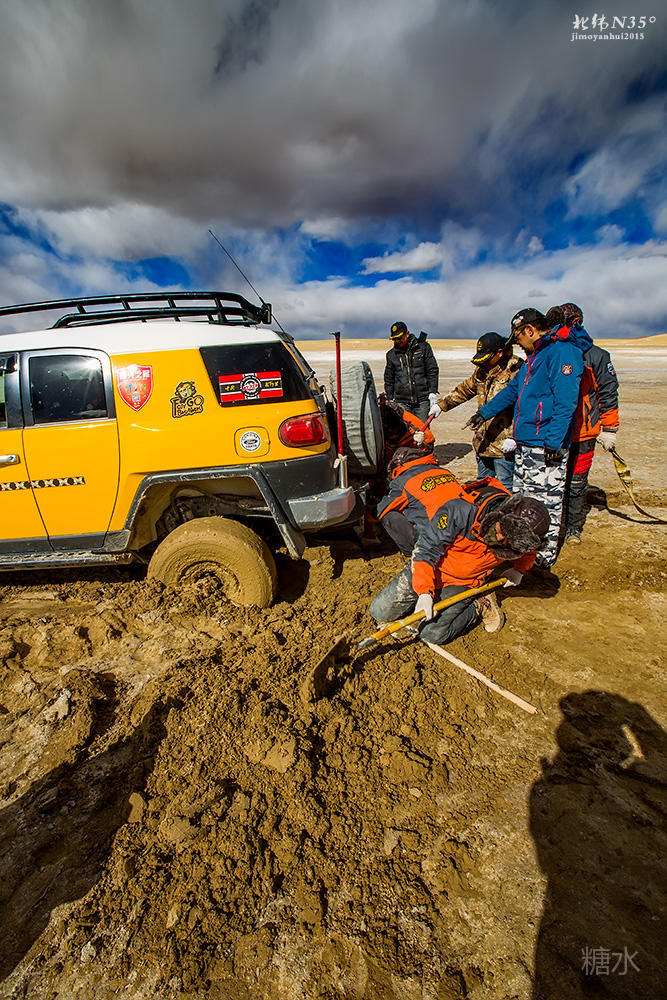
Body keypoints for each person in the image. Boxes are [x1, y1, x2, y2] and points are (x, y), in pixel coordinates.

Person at [370, 445, 550, 645]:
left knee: (431, 634)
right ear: (501, 513)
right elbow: (426, 551)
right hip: (435, 568)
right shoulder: (460, 511)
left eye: (509, 543)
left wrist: (520, 570)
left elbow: (529, 548)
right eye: (500, 532)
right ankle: (432, 594)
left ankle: (479, 604)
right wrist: (424, 591)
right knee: (379, 611)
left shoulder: (524, 535)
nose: (499, 539)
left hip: (465, 581)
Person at [468, 308, 583, 568]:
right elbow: (512, 391)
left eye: (518, 337)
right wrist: (483, 413)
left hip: (547, 446)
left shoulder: (562, 353)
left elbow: (566, 402)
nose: (517, 344)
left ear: (529, 330)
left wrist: (554, 441)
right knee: (523, 502)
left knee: (546, 503)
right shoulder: (534, 357)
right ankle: (522, 553)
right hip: (526, 445)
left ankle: (542, 558)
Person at [554, 302, 620, 543]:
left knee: (577, 483)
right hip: (556, 433)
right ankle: (554, 526)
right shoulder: (552, 352)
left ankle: (573, 528)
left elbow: (608, 392)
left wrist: (609, 428)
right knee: (554, 481)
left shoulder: (597, 356)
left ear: (575, 323)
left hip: (584, 433)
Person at [427, 331, 523, 490]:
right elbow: (465, 389)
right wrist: (442, 405)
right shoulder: (483, 370)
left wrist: (515, 438)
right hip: (483, 443)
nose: (483, 364)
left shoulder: (516, 369)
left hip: (504, 445)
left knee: (505, 487)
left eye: (486, 359)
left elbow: (526, 407)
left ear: (499, 353)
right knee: (481, 485)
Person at [384, 321, 439, 422]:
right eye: (394, 339)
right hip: (401, 402)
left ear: (407, 334)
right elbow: (389, 379)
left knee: (421, 429)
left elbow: (432, 370)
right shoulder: (391, 355)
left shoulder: (423, 348)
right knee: (403, 429)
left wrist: (433, 392)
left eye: (400, 338)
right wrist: (390, 398)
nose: (397, 341)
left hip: (422, 401)